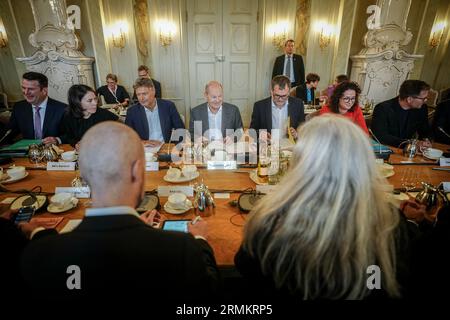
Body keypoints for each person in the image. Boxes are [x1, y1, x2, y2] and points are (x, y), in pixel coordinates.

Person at [20, 121, 219, 301]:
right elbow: (208, 297)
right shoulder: (181, 249)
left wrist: (38, 232)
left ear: (83, 174)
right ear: (137, 171)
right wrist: (200, 240)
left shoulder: (39, 255)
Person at [235, 115, 425, 300]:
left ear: (300, 163)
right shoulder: (392, 226)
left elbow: (246, 266)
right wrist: (409, 222)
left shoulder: (270, 223)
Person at [7, 72, 66, 144]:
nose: (26, 92)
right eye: (23, 88)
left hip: (54, 151)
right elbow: (8, 133)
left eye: (31, 89)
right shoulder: (19, 108)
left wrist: (57, 140)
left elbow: (72, 135)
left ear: (44, 91)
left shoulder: (62, 109)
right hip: (29, 153)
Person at [371, 80, 432, 148]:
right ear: (409, 99)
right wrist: (410, 143)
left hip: (409, 152)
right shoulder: (383, 108)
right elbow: (381, 136)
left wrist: (426, 141)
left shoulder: (422, 109)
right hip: (386, 148)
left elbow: (425, 131)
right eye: (423, 98)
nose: (425, 100)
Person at [125, 78, 184, 146]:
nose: (141, 98)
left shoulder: (168, 106)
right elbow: (127, 137)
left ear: (153, 91)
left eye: (144, 94)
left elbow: (180, 130)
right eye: (138, 94)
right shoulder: (132, 112)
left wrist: (173, 148)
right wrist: (143, 142)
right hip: (144, 150)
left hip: (165, 148)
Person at [250, 75, 304, 141]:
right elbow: (252, 131)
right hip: (268, 145)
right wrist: (262, 134)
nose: (280, 99)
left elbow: (302, 127)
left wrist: (297, 133)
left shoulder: (298, 104)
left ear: (289, 92)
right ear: (271, 91)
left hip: (290, 146)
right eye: (277, 95)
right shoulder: (259, 106)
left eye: (284, 96)